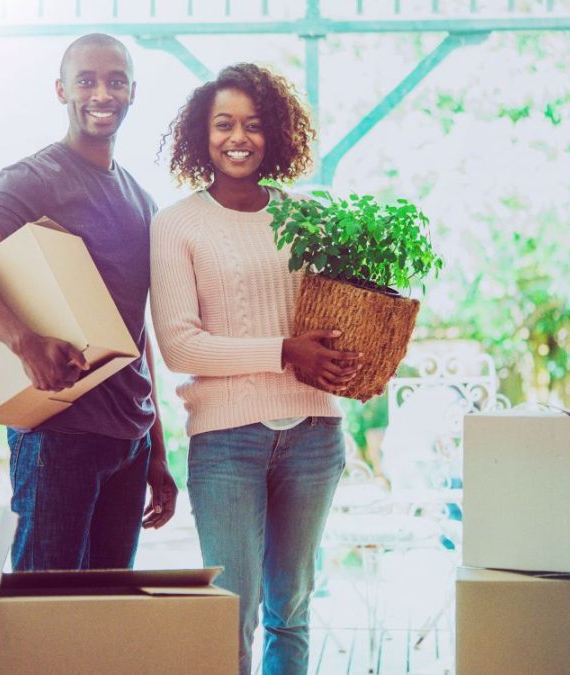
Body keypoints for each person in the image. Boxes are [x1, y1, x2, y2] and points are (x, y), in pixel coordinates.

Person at [0, 33, 177, 572]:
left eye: (115, 81)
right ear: (61, 90)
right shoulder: (40, 177)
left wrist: (157, 449)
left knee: (102, 619)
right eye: (86, 80)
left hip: (129, 442)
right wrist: (24, 341)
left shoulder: (141, 199)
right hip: (60, 436)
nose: (101, 94)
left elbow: (137, 331)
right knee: (46, 616)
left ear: (134, 91)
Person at [150, 63, 362, 675]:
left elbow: (333, 320)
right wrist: (284, 351)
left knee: (292, 608)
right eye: (223, 124)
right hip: (225, 443)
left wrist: (340, 355)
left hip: (315, 435)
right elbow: (181, 348)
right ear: (202, 134)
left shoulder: (308, 216)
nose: (237, 137)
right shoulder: (177, 224)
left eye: (253, 124)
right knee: (232, 612)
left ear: (275, 134)